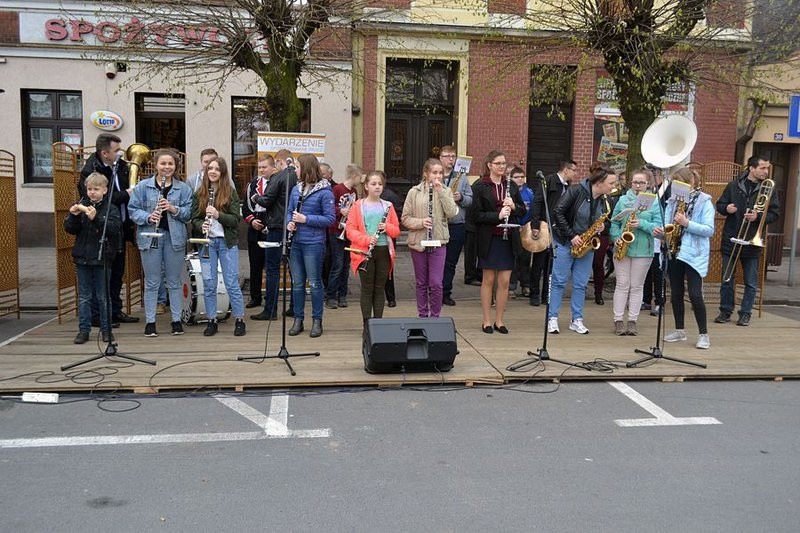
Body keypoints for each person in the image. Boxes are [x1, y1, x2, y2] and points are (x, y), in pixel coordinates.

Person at [128, 149, 194, 337]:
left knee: (174, 282)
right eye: (163, 164)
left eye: (170, 164)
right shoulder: (143, 187)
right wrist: (149, 217)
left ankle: (176, 320)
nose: (166, 167)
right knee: (152, 282)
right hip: (150, 237)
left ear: (175, 166)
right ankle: (150, 322)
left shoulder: (184, 188)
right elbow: (133, 210)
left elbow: (189, 214)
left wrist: (173, 209)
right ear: (156, 165)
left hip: (174, 238)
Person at [548, 164, 617, 335]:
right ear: (599, 182)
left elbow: (605, 221)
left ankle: (577, 319)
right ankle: (552, 318)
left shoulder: (604, 200)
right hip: (565, 241)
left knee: (581, 284)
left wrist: (602, 228)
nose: (613, 187)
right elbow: (558, 212)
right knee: (559, 281)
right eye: (611, 183)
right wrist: (571, 235)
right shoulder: (575, 191)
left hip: (586, 246)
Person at [78, 133, 138, 326]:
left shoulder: (119, 166)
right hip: (99, 230)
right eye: (116, 150)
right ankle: (98, 316)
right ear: (104, 153)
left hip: (119, 227)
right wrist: (126, 195)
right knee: (102, 276)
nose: (120, 153)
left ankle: (114, 311)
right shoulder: (91, 171)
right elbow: (98, 199)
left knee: (117, 273)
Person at [715, 155, 780, 326]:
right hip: (732, 239)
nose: (766, 171)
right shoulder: (733, 186)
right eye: (762, 168)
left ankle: (745, 314)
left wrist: (758, 216)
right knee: (727, 279)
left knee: (751, 282)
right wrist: (726, 208)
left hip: (752, 241)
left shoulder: (769, 189)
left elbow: (775, 214)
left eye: (767, 168)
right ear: (751, 168)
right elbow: (720, 204)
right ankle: (725, 311)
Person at [657, 167, 715, 349]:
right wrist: (661, 232)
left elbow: (709, 230)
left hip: (694, 253)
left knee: (696, 294)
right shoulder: (673, 201)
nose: (675, 188)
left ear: (690, 182)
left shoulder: (704, 201)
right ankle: (679, 330)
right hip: (674, 251)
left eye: (678, 184)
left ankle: (704, 334)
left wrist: (687, 223)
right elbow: (667, 225)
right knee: (676, 293)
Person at [469, 150, 525, 334]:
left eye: (503, 163)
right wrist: (498, 215)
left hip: (508, 239)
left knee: (504, 281)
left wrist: (514, 206)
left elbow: (523, 211)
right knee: (489, 279)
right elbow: (475, 215)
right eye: (498, 163)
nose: (502, 166)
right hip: (489, 238)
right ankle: (486, 320)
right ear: (489, 165)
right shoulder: (480, 186)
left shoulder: (512, 186)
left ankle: (499, 321)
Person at [191, 157, 246, 337]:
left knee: (231, 282)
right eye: (210, 168)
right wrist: (202, 226)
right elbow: (195, 219)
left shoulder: (230, 192)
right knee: (208, 283)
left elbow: (235, 220)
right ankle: (212, 320)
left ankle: (239, 319)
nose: (213, 171)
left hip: (226, 243)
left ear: (222, 173)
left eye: (217, 169)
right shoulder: (200, 193)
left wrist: (217, 214)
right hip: (207, 244)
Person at [65, 172, 122, 344]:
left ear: (104, 190)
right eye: (89, 189)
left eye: (96, 189)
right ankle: (84, 330)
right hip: (82, 257)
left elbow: (113, 229)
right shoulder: (82, 204)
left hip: (103, 258)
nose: (91, 192)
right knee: (84, 296)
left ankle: (106, 330)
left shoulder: (111, 208)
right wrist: (73, 216)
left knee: (104, 296)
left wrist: (96, 218)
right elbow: (70, 229)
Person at [402, 158, 458, 319]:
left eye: (440, 173)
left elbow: (452, 213)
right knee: (421, 283)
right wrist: (421, 222)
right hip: (418, 241)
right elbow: (405, 218)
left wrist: (441, 193)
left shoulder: (446, 191)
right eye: (434, 172)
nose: (438, 176)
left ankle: (435, 316)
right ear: (426, 174)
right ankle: (422, 315)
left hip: (438, 241)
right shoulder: (414, 192)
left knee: (436, 283)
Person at [286, 154, 335, 337]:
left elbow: (330, 219)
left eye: (298, 167)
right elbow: (289, 212)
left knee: (314, 283)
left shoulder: (325, 192)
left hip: (313, 243)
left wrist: (306, 219)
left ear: (306, 169)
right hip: (296, 241)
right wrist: (289, 223)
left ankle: (317, 320)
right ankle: (298, 319)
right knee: (297, 283)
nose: (296, 170)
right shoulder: (295, 189)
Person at [609, 168, 662, 336]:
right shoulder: (623, 200)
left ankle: (632, 321)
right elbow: (614, 223)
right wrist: (616, 237)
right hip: (622, 247)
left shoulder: (654, 202)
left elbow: (658, 227)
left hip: (643, 250)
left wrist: (642, 224)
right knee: (622, 285)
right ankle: (618, 320)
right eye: (635, 182)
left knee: (637, 286)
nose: (637, 185)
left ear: (648, 184)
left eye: (641, 182)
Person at [346, 171, 401, 326]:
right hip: (364, 252)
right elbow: (350, 231)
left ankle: (378, 324)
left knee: (380, 288)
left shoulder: (388, 206)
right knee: (367, 288)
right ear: (366, 186)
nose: (377, 187)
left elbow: (396, 230)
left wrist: (387, 227)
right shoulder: (358, 206)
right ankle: (367, 324)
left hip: (383, 250)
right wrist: (367, 239)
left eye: (380, 184)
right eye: (373, 184)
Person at [250, 149, 296, 321]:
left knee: (272, 269)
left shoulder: (278, 177)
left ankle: (270, 309)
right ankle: (293, 308)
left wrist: (255, 197)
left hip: (277, 227)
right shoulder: (297, 177)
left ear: (278, 162)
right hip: (292, 226)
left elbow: (267, 200)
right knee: (294, 269)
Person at [529, 159, 578, 306]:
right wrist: (535, 224)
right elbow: (538, 202)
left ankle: (547, 294)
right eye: (574, 170)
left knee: (551, 264)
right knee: (539, 262)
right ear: (566, 170)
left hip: (557, 229)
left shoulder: (568, 186)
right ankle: (534, 294)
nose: (575, 173)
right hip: (545, 226)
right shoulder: (549, 181)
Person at [439, 145, 473, 306]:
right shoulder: (435, 176)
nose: (450, 159)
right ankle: (435, 290)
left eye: (453, 156)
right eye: (447, 156)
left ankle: (446, 292)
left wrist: (460, 198)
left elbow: (470, 200)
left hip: (456, 224)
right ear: (441, 157)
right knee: (437, 260)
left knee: (451, 261)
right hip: (439, 224)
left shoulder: (462, 177)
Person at [242, 155, 275, 308]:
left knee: (271, 267)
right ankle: (255, 297)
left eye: (265, 167)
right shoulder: (252, 184)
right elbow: (246, 207)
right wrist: (251, 220)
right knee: (255, 265)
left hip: (271, 225)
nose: (261, 170)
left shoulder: (277, 182)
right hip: (255, 227)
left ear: (272, 167)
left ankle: (271, 299)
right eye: (259, 167)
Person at [326, 164, 360, 309]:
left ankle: (342, 295)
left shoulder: (354, 191)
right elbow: (329, 207)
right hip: (336, 231)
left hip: (348, 232)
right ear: (354, 176)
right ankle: (331, 296)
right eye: (359, 177)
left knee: (346, 265)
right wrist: (341, 210)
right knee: (338, 264)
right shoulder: (337, 189)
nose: (360, 179)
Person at [642, 166, 667, 316]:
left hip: (658, 237)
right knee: (646, 272)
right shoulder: (646, 192)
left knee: (658, 273)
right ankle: (646, 300)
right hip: (645, 238)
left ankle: (659, 302)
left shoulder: (666, 189)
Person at [509, 166, 533, 297]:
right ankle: (511, 286)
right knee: (513, 259)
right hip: (513, 228)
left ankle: (525, 285)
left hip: (526, 230)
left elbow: (533, 211)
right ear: (511, 178)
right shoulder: (509, 191)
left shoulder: (529, 193)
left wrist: (527, 226)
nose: (519, 179)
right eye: (516, 177)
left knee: (525, 259)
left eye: (522, 177)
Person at [380, 184, 403, 307]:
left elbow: (397, 219)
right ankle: (390, 298)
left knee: (387, 268)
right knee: (388, 269)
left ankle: (389, 297)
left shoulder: (390, 197)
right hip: (378, 238)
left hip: (387, 237)